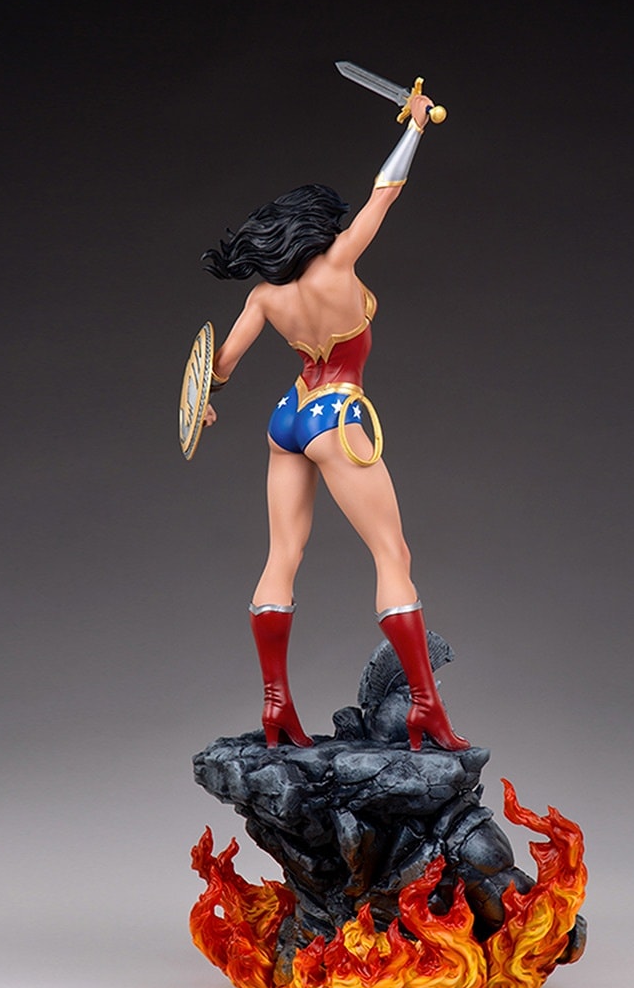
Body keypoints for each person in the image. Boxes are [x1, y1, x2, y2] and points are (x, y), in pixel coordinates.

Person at [200, 92, 468, 754]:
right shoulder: (341, 262)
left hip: (288, 415)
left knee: (282, 557)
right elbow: (386, 192)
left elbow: (220, 365)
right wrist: (415, 127)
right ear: (316, 227)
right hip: (336, 416)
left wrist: (203, 399)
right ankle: (426, 706)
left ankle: (275, 702)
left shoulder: (265, 296)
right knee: (392, 554)